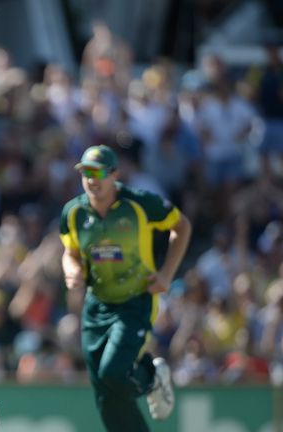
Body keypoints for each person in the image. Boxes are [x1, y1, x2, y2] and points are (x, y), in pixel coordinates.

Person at [60, 145, 192, 431]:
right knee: (106, 396)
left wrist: (167, 274)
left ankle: (150, 374)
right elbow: (70, 251)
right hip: (97, 305)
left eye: (98, 173)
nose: (92, 180)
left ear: (114, 174)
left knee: (114, 372)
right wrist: (71, 271)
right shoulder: (74, 213)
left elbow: (181, 227)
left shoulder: (141, 204)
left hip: (135, 300)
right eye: (86, 173)